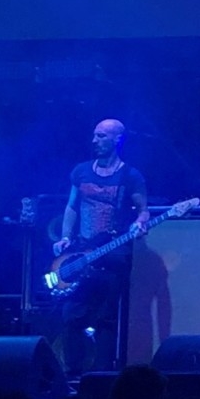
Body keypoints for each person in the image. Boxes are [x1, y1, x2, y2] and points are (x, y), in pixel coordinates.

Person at [51, 119, 148, 375]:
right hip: (83, 252)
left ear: (118, 139)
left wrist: (139, 223)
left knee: (106, 319)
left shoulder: (130, 175)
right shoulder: (81, 171)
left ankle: (102, 376)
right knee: (71, 314)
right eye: (94, 135)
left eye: (102, 136)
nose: (95, 141)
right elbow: (72, 206)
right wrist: (65, 236)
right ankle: (72, 374)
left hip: (114, 253)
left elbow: (143, 211)